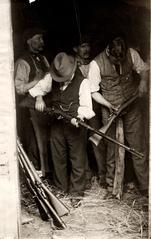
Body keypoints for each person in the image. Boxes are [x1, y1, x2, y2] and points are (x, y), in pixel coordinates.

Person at [88, 35, 149, 197]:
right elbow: (93, 91)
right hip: (109, 107)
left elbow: (144, 69)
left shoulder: (131, 53)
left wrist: (143, 81)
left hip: (132, 105)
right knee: (112, 148)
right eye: (115, 60)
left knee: (138, 145)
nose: (119, 63)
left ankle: (144, 185)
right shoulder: (96, 63)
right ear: (108, 52)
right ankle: (111, 187)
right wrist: (109, 105)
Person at [49, 52, 95, 207]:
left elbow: (88, 109)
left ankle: (76, 193)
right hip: (57, 125)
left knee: (77, 159)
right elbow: (38, 90)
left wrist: (79, 117)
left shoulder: (83, 83)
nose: (62, 80)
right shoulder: (53, 79)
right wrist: (40, 98)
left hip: (75, 124)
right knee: (58, 157)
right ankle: (60, 189)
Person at [14, 27, 52, 178]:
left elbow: (49, 77)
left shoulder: (42, 59)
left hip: (43, 106)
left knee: (45, 140)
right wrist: (36, 80)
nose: (41, 42)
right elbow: (19, 88)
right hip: (28, 108)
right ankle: (36, 176)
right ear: (28, 41)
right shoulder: (22, 62)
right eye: (38, 38)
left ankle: (46, 173)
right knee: (34, 143)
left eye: (42, 38)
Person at [73, 36, 106, 188]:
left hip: (93, 108)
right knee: (79, 143)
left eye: (87, 46)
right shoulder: (71, 64)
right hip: (77, 108)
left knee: (96, 140)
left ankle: (103, 175)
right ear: (75, 49)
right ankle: (86, 177)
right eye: (82, 46)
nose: (86, 49)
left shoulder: (95, 63)